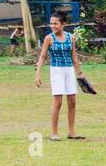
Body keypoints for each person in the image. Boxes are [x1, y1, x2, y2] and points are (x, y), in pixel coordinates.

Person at [34, 11, 84, 140]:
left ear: (63, 24)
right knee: (58, 103)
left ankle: (71, 132)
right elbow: (43, 56)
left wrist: (80, 73)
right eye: (51, 23)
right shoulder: (49, 38)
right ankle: (54, 133)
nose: (52, 26)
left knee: (72, 102)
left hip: (69, 70)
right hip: (56, 71)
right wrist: (38, 74)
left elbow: (74, 56)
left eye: (55, 23)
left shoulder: (70, 37)